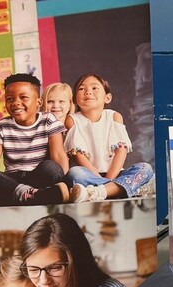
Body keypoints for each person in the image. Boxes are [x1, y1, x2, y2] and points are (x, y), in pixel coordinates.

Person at [0, 74, 70, 207]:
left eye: (23, 97)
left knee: (51, 168)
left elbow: (59, 155)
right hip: (11, 179)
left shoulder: (49, 120)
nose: (16, 103)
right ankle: (34, 195)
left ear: (39, 102)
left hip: (38, 176)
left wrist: (65, 182)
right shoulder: (1, 125)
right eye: (10, 99)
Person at [63, 74, 154, 203]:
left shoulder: (114, 116)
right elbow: (78, 155)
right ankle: (120, 190)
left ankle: (101, 191)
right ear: (75, 100)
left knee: (145, 168)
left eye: (94, 88)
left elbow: (121, 151)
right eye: (81, 89)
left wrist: (110, 178)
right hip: (89, 176)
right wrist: (106, 182)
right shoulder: (72, 120)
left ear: (107, 98)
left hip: (115, 174)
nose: (88, 92)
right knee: (75, 173)